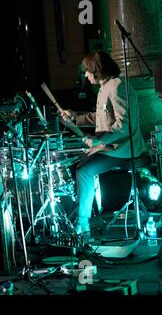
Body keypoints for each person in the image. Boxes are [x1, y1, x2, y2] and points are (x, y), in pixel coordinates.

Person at [61, 50, 146, 237]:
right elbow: (100, 117)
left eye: (86, 70)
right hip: (111, 146)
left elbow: (125, 125)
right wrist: (75, 117)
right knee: (78, 164)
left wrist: (100, 140)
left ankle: (82, 224)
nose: (85, 74)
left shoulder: (117, 86)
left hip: (123, 148)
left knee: (84, 171)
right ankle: (81, 216)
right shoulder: (105, 87)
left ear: (96, 69)